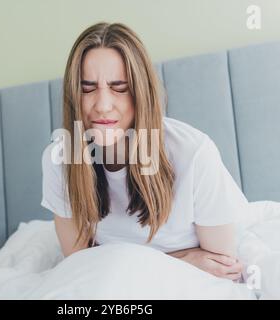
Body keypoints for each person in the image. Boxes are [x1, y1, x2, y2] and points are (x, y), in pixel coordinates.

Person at [41, 22, 246, 281]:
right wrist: (184, 258)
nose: (103, 105)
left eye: (119, 87)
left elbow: (222, 270)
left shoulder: (193, 153)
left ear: (141, 93)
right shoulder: (59, 160)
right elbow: (80, 267)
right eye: (88, 88)